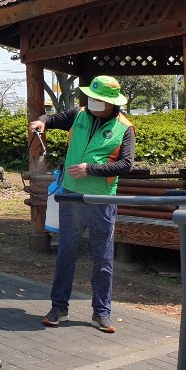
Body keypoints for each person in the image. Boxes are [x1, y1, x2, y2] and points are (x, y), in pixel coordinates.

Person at [29, 75, 134, 333]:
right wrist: (41, 122)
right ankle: (58, 308)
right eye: (91, 97)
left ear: (111, 103)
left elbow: (126, 165)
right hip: (71, 195)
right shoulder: (79, 115)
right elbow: (51, 119)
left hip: (101, 198)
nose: (92, 102)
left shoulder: (125, 128)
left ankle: (101, 312)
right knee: (66, 252)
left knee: (103, 257)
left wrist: (91, 169)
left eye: (98, 99)